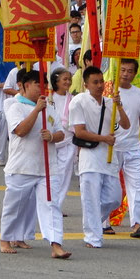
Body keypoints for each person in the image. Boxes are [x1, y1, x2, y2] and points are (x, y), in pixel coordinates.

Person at [0, 70, 70, 258]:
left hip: (47, 168)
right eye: (38, 84)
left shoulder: (50, 108)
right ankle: (5, 239)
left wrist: (52, 136)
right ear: (25, 85)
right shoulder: (15, 107)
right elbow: (20, 131)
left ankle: (56, 244)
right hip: (21, 166)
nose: (42, 88)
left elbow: (61, 133)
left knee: (51, 205)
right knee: (14, 206)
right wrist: (36, 110)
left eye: (44, 84)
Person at [69, 65, 129, 248]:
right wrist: (104, 138)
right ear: (86, 84)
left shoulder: (110, 103)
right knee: (91, 199)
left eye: (101, 81)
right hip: (90, 157)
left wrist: (119, 106)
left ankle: (93, 221)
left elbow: (126, 124)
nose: (99, 85)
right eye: (95, 82)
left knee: (114, 198)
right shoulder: (78, 101)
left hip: (109, 158)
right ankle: (92, 237)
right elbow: (79, 132)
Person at [111, 58, 140, 239]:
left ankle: (138, 224)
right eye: (123, 70)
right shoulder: (108, 91)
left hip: (133, 146)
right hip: (111, 147)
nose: (126, 74)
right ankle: (103, 223)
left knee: (138, 186)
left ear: (135, 73)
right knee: (110, 188)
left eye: (130, 71)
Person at [49, 67, 75, 210]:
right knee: (50, 173)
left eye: (69, 79)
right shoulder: (49, 98)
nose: (68, 82)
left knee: (64, 173)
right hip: (51, 140)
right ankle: (48, 203)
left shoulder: (73, 99)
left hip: (68, 140)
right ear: (56, 81)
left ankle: (57, 205)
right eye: (64, 79)